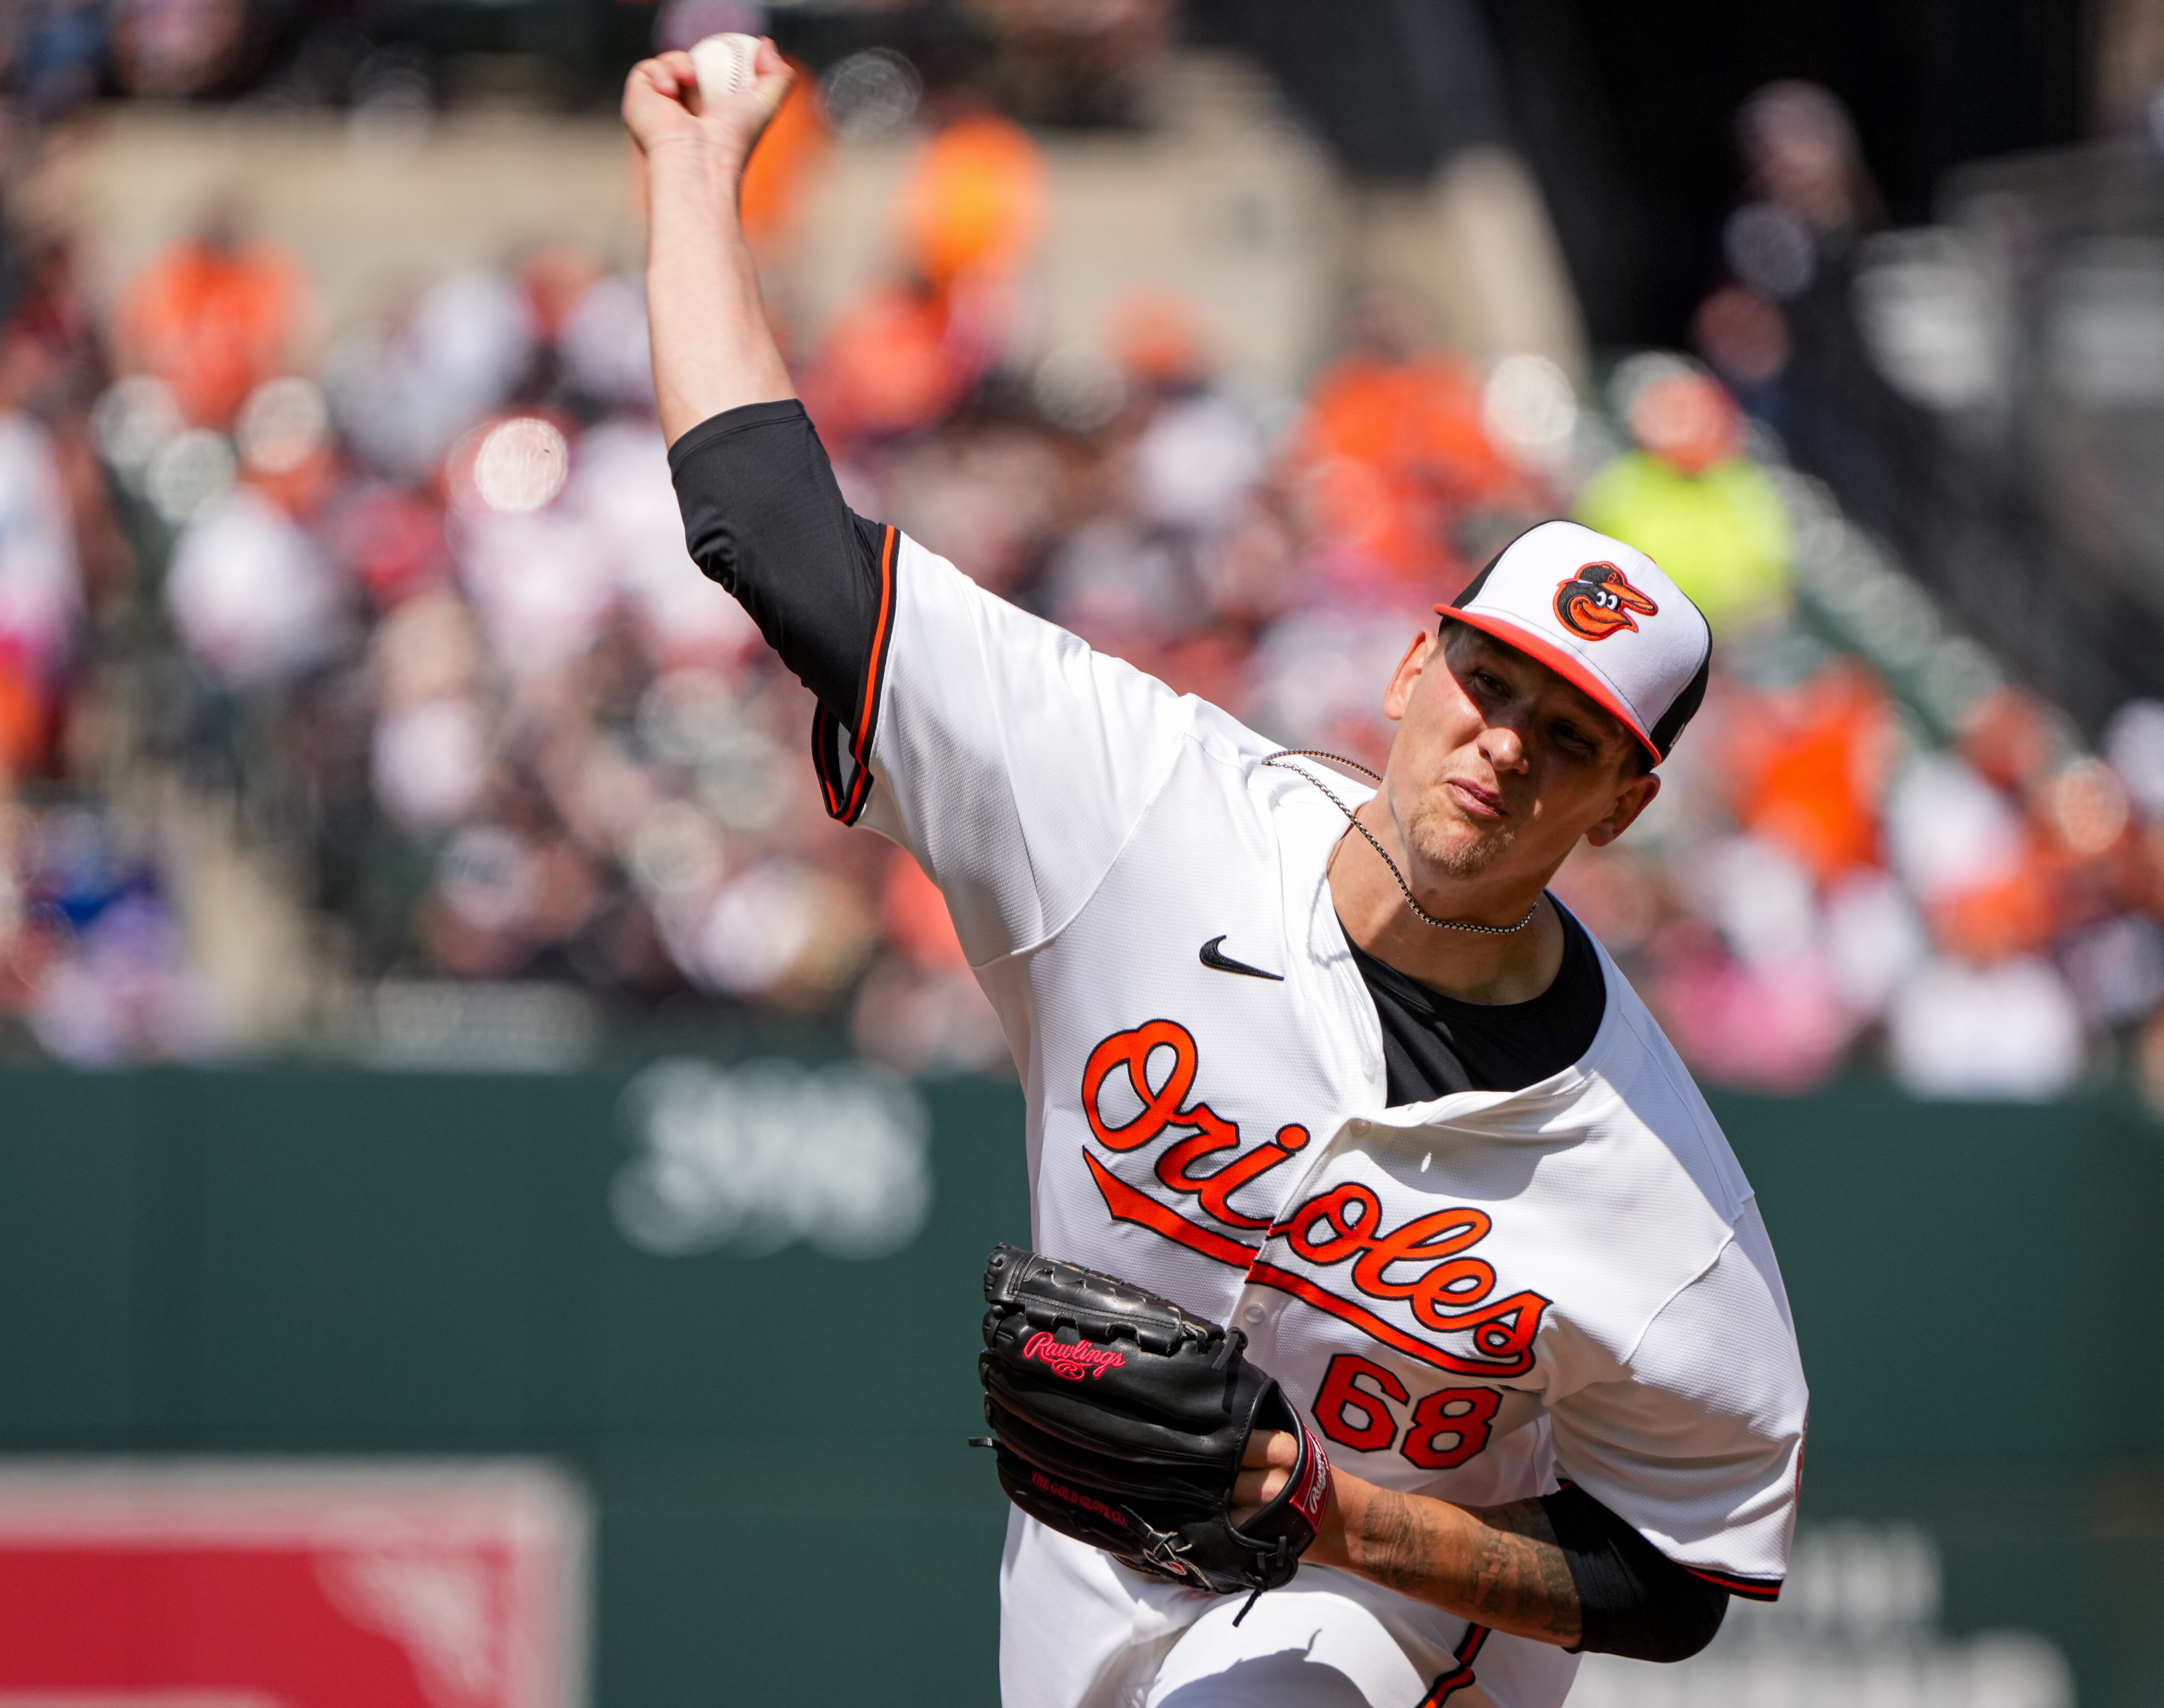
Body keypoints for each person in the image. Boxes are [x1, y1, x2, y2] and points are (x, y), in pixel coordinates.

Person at [625, 44, 1807, 1708]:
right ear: (1413, 668)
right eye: (1492, 684)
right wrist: (690, 164)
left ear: (1623, 805)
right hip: (1073, 1613)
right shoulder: (1144, 809)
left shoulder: (1658, 1203)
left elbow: (1680, 1577)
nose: (1504, 747)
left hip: (1374, 1639)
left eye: (1571, 738)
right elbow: (767, 526)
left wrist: (1349, 1526)